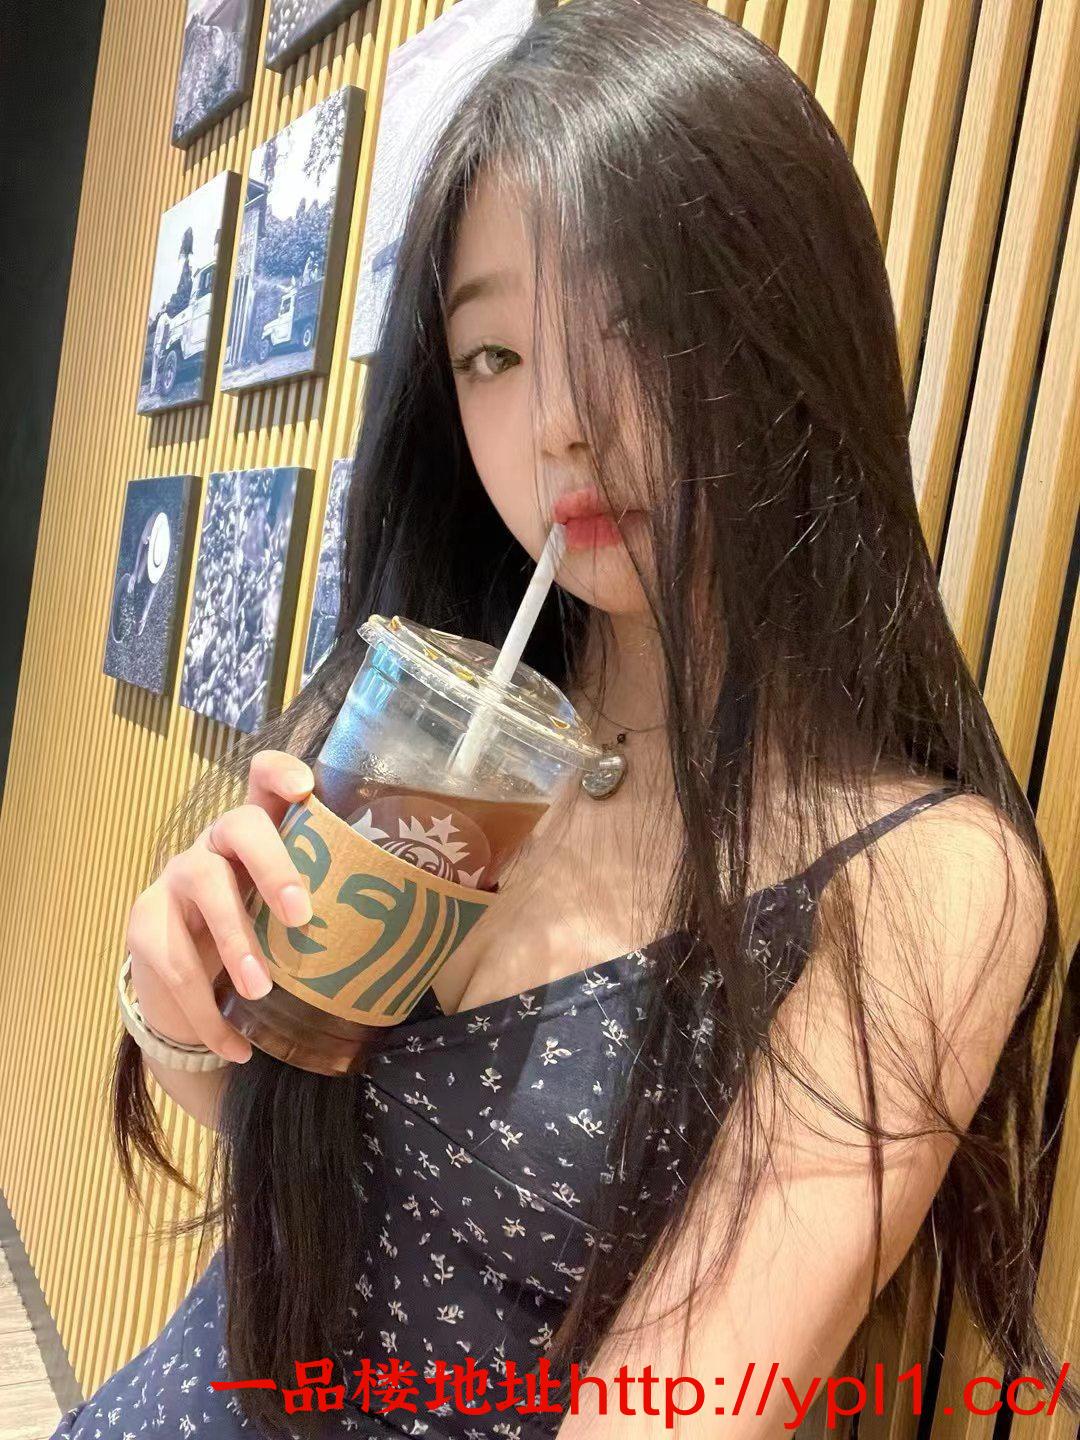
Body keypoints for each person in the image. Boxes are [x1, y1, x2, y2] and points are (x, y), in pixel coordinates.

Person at [57, 2, 1074, 1437]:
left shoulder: (926, 878)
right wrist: (179, 1014)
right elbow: (323, 1159)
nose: (559, 427)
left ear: (795, 329)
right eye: (494, 355)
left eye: (641, 323)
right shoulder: (433, 722)